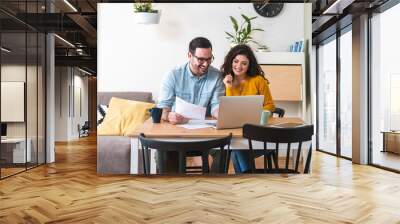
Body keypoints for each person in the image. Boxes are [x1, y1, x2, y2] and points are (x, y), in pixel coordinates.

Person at [156, 37, 225, 173]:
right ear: (189, 55)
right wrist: (169, 115)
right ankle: (171, 190)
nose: (205, 64)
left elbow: (217, 105)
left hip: (206, 134)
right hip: (177, 132)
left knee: (224, 149)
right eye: (201, 59)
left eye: (209, 59)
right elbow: (163, 109)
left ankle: (216, 189)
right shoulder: (173, 75)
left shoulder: (217, 76)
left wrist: (223, 114)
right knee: (162, 154)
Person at [220, 44, 275, 174]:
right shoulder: (225, 81)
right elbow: (230, 108)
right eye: (236, 61)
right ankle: (248, 176)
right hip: (236, 129)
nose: (239, 66)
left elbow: (269, 105)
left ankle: (247, 176)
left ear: (249, 65)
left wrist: (257, 115)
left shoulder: (258, 80)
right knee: (235, 145)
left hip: (257, 132)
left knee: (235, 146)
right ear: (231, 61)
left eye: (244, 63)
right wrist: (228, 87)